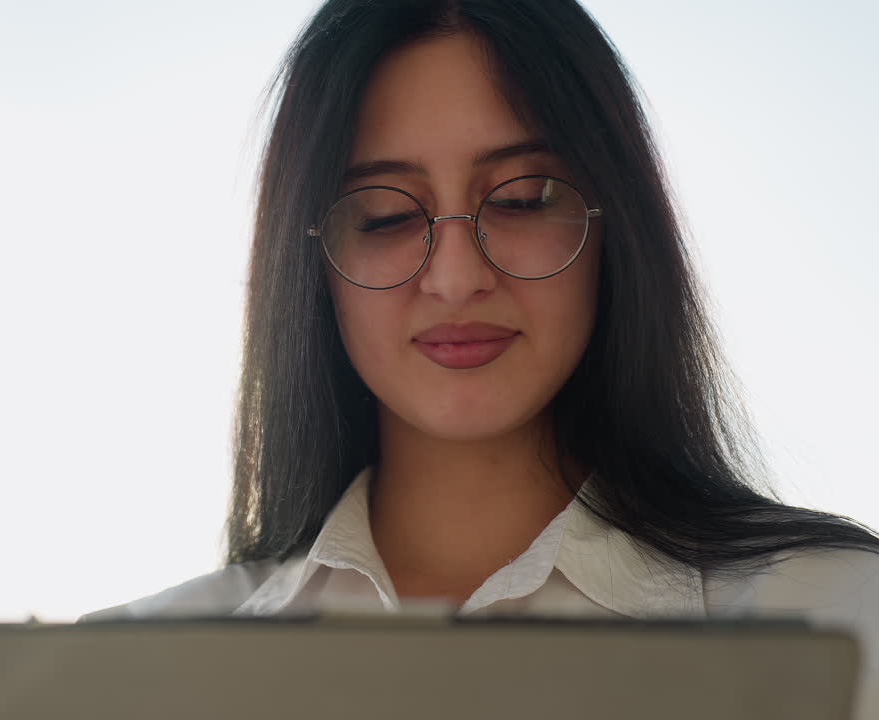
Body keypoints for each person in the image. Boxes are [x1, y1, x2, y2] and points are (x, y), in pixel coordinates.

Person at [81, 0, 879, 715]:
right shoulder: (117, 678)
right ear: (312, 262)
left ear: (612, 227)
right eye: (387, 215)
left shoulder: (849, 620)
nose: (457, 278)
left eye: (523, 199)